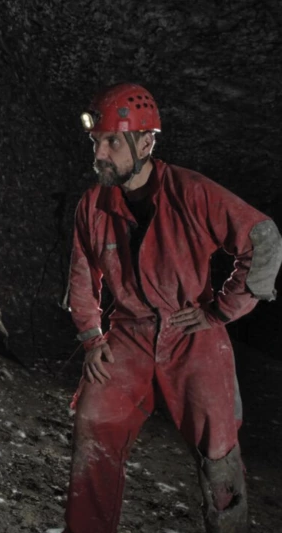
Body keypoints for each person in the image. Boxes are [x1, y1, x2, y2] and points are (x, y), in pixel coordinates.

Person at [61, 82, 282, 533]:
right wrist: (90, 337)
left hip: (191, 333)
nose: (99, 153)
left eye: (110, 142)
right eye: (96, 141)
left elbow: (262, 239)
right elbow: (83, 274)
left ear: (146, 142)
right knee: (95, 419)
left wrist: (222, 311)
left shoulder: (190, 191)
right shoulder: (94, 203)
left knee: (219, 450)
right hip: (128, 333)